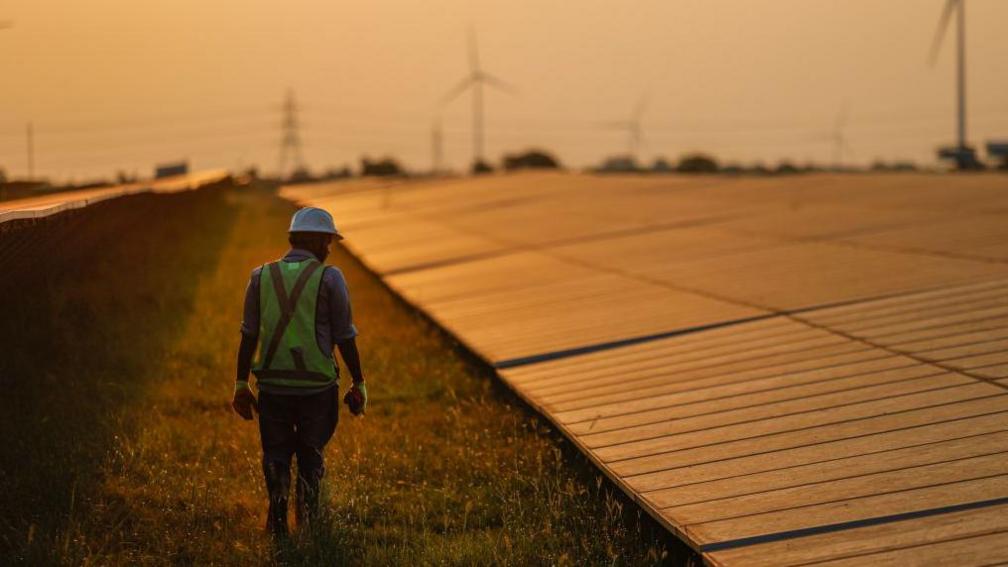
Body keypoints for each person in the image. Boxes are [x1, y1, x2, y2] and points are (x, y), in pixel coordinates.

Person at [231, 207, 367, 538]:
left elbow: (248, 334)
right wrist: (359, 382)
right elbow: (345, 336)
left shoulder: (259, 276)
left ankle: (278, 523)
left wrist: (240, 384)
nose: (330, 249)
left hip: (273, 385)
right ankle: (308, 523)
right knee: (310, 453)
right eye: (329, 242)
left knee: (276, 454)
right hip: (317, 387)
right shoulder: (330, 278)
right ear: (320, 241)